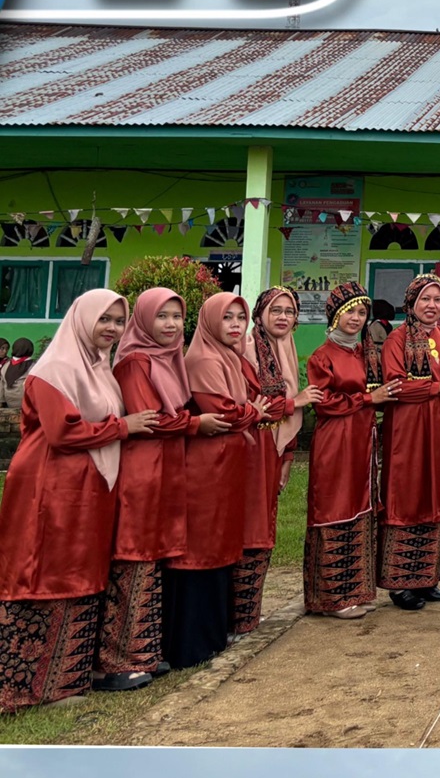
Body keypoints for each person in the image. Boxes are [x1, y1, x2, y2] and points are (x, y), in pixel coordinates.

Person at [0, 291, 156, 713]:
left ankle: (68, 680)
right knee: (46, 572)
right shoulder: (56, 369)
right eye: (103, 319)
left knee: (79, 573)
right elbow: (62, 432)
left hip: (86, 486)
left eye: (118, 321)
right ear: (81, 318)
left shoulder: (98, 367)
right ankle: (30, 688)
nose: (111, 328)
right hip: (50, 484)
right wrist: (123, 426)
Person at [100, 289, 225, 691]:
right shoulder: (136, 362)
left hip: (166, 469)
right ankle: (120, 661)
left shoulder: (168, 360)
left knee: (153, 562)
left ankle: (147, 654)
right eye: (162, 317)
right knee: (134, 558)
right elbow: (149, 419)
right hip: (142, 472)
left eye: (176, 316)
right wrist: (195, 424)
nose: (171, 325)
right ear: (144, 320)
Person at [165, 293, 262, 669]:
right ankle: (192, 643)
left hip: (225, 462)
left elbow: (241, 411)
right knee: (201, 550)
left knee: (219, 546)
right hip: (206, 467)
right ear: (209, 321)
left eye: (241, 317)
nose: (236, 325)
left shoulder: (229, 357)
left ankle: (211, 636)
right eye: (228, 318)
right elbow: (223, 413)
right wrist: (252, 412)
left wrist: (249, 413)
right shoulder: (203, 359)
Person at [304, 283, 401, 620]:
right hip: (335, 440)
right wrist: (367, 400)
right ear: (334, 314)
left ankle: (356, 590)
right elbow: (323, 403)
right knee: (335, 506)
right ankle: (331, 597)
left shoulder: (366, 351)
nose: (356, 319)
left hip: (362, 438)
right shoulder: (322, 356)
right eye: (350, 311)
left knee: (361, 507)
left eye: (362, 313)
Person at [379, 274, 440, 611]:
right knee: (407, 497)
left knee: (435, 498)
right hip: (408, 432)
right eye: (426, 300)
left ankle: (428, 579)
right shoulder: (395, 340)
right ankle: (400, 584)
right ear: (412, 303)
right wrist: (437, 386)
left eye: (438, 300)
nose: (432, 306)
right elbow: (395, 387)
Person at [236, 287, 320, 639]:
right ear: (260, 313)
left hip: (271, 449)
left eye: (289, 311)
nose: (283, 317)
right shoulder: (248, 348)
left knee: (265, 524)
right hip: (248, 447)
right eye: (276, 310)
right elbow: (248, 403)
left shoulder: (283, 347)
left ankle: (249, 616)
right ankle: (236, 617)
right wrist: (293, 403)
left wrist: (286, 456)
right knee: (248, 526)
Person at [1, 338, 34, 409]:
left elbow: (1, 384)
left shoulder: (6, 365)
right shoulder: (33, 366)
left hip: (9, 401)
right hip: (25, 403)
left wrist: (1, 401)